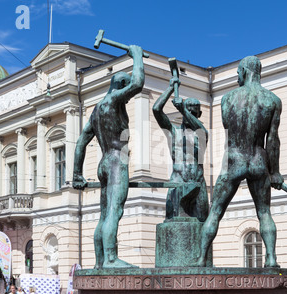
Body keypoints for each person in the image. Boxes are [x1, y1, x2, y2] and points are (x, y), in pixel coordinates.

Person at [195, 56, 283, 268]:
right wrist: (275, 172)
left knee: (215, 211)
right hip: (258, 160)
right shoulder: (273, 100)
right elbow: (272, 140)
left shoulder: (228, 99)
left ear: (244, 71)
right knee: (264, 213)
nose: (237, 76)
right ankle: (271, 258)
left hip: (234, 158)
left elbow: (228, 125)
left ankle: (200, 259)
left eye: (238, 72)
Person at [73, 45, 145, 269]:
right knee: (115, 210)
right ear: (120, 88)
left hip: (103, 162)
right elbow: (138, 83)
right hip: (116, 161)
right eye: (126, 93)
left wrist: (77, 173)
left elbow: (81, 142)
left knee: (104, 214)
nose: (128, 98)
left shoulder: (96, 110)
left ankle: (100, 262)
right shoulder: (114, 101)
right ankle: (111, 259)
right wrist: (137, 56)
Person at [152, 75, 209, 221]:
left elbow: (200, 127)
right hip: (177, 181)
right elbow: (156, 109)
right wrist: (170, 88)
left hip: (198, 184)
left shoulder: (201, 133)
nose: (189, 114)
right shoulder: (173, 131)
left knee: (203, 226)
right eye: (187, 111)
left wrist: (183, 109)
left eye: (193, 112)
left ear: (199, 114)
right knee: (171, 224)